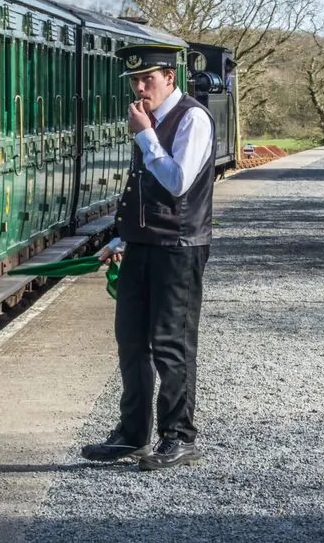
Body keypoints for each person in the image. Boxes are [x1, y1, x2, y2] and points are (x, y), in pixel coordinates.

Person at [80, 41, 215, 471]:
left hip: (178, 248)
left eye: (148, 79)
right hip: (141, 247)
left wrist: (144, 135)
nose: (140, 88)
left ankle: (179, 437)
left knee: (170, 345)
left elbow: (177, 183)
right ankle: (132, 434)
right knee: (132, 343)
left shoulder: (191, 117)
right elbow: (142, 191)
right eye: (134, 81)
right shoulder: (150, 117)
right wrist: (122, 238)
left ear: (169, 77)